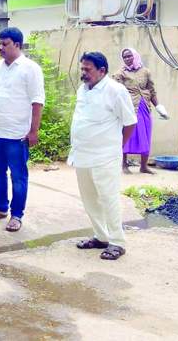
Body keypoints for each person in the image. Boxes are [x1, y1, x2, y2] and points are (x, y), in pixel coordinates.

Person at [69, 52, 137, 261]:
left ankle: (117, 242)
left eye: (87, 69)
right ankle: (101, 236)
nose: (84, 73)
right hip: (82, 155)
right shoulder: (83, 89)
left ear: (102, 71)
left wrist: (116, 147)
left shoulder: (116, 91)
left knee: (108, 199)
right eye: (82, 69)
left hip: (105, 156)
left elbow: (130, 122)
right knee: (89, 199)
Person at [0, 27, 45, 232]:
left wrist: (33, 131)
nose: (0, 48)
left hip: (17, 134)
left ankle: (17, 215)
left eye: (4, 44)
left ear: (17, 45)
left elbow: (37, 102)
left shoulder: (30, 69)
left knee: (18, 176)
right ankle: (0, 208)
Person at [112, 48, 169, 174]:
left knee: (146, 134)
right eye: (125, 57)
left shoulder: (145, 71)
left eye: (129, 56)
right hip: (129, 107)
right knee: (126, 134)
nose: (127, 59)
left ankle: (143, 166)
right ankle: (124, 165)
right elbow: (115, 91)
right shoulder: (120, 73)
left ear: (135, 56)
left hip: (144, 107)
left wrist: (159, 107)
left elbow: (152, 90)